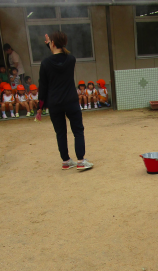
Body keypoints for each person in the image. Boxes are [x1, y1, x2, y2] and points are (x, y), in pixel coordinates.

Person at [38, 31, 93, 171]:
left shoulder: (45, 63)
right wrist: (52, 45)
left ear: (53, 44)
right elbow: (61, 59)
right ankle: (81, 161)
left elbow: (43, 85)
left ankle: (66, 161)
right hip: (71, 101)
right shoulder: (71, 60)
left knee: (60, 132)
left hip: (54, 103)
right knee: (78, 130)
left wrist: (40, 106)